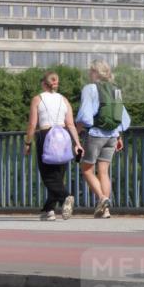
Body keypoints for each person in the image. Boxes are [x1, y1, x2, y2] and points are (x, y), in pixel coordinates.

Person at [24, 71, 83, 221]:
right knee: (57, 175)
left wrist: (28, 142)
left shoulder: (37, 99)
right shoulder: (64, 100)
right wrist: (77, 144)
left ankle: (66, 197)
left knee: (48, 176)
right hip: (63, 136)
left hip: (46, 136)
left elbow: (32, 124)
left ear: (44, 84)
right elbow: (71, 124)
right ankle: (49, 210)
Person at [76, 60, 130, 219]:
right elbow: (121, 116)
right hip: (112, 135)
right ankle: (105, 210)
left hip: (96, 134)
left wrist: (75, 135)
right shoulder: (116, 90)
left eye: (91, 71)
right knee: (104, 172)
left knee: (86, 169)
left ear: (96, 72)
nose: (89, 73)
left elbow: (85, 115)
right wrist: (118, 135)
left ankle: (102, 198)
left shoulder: (90, 88)